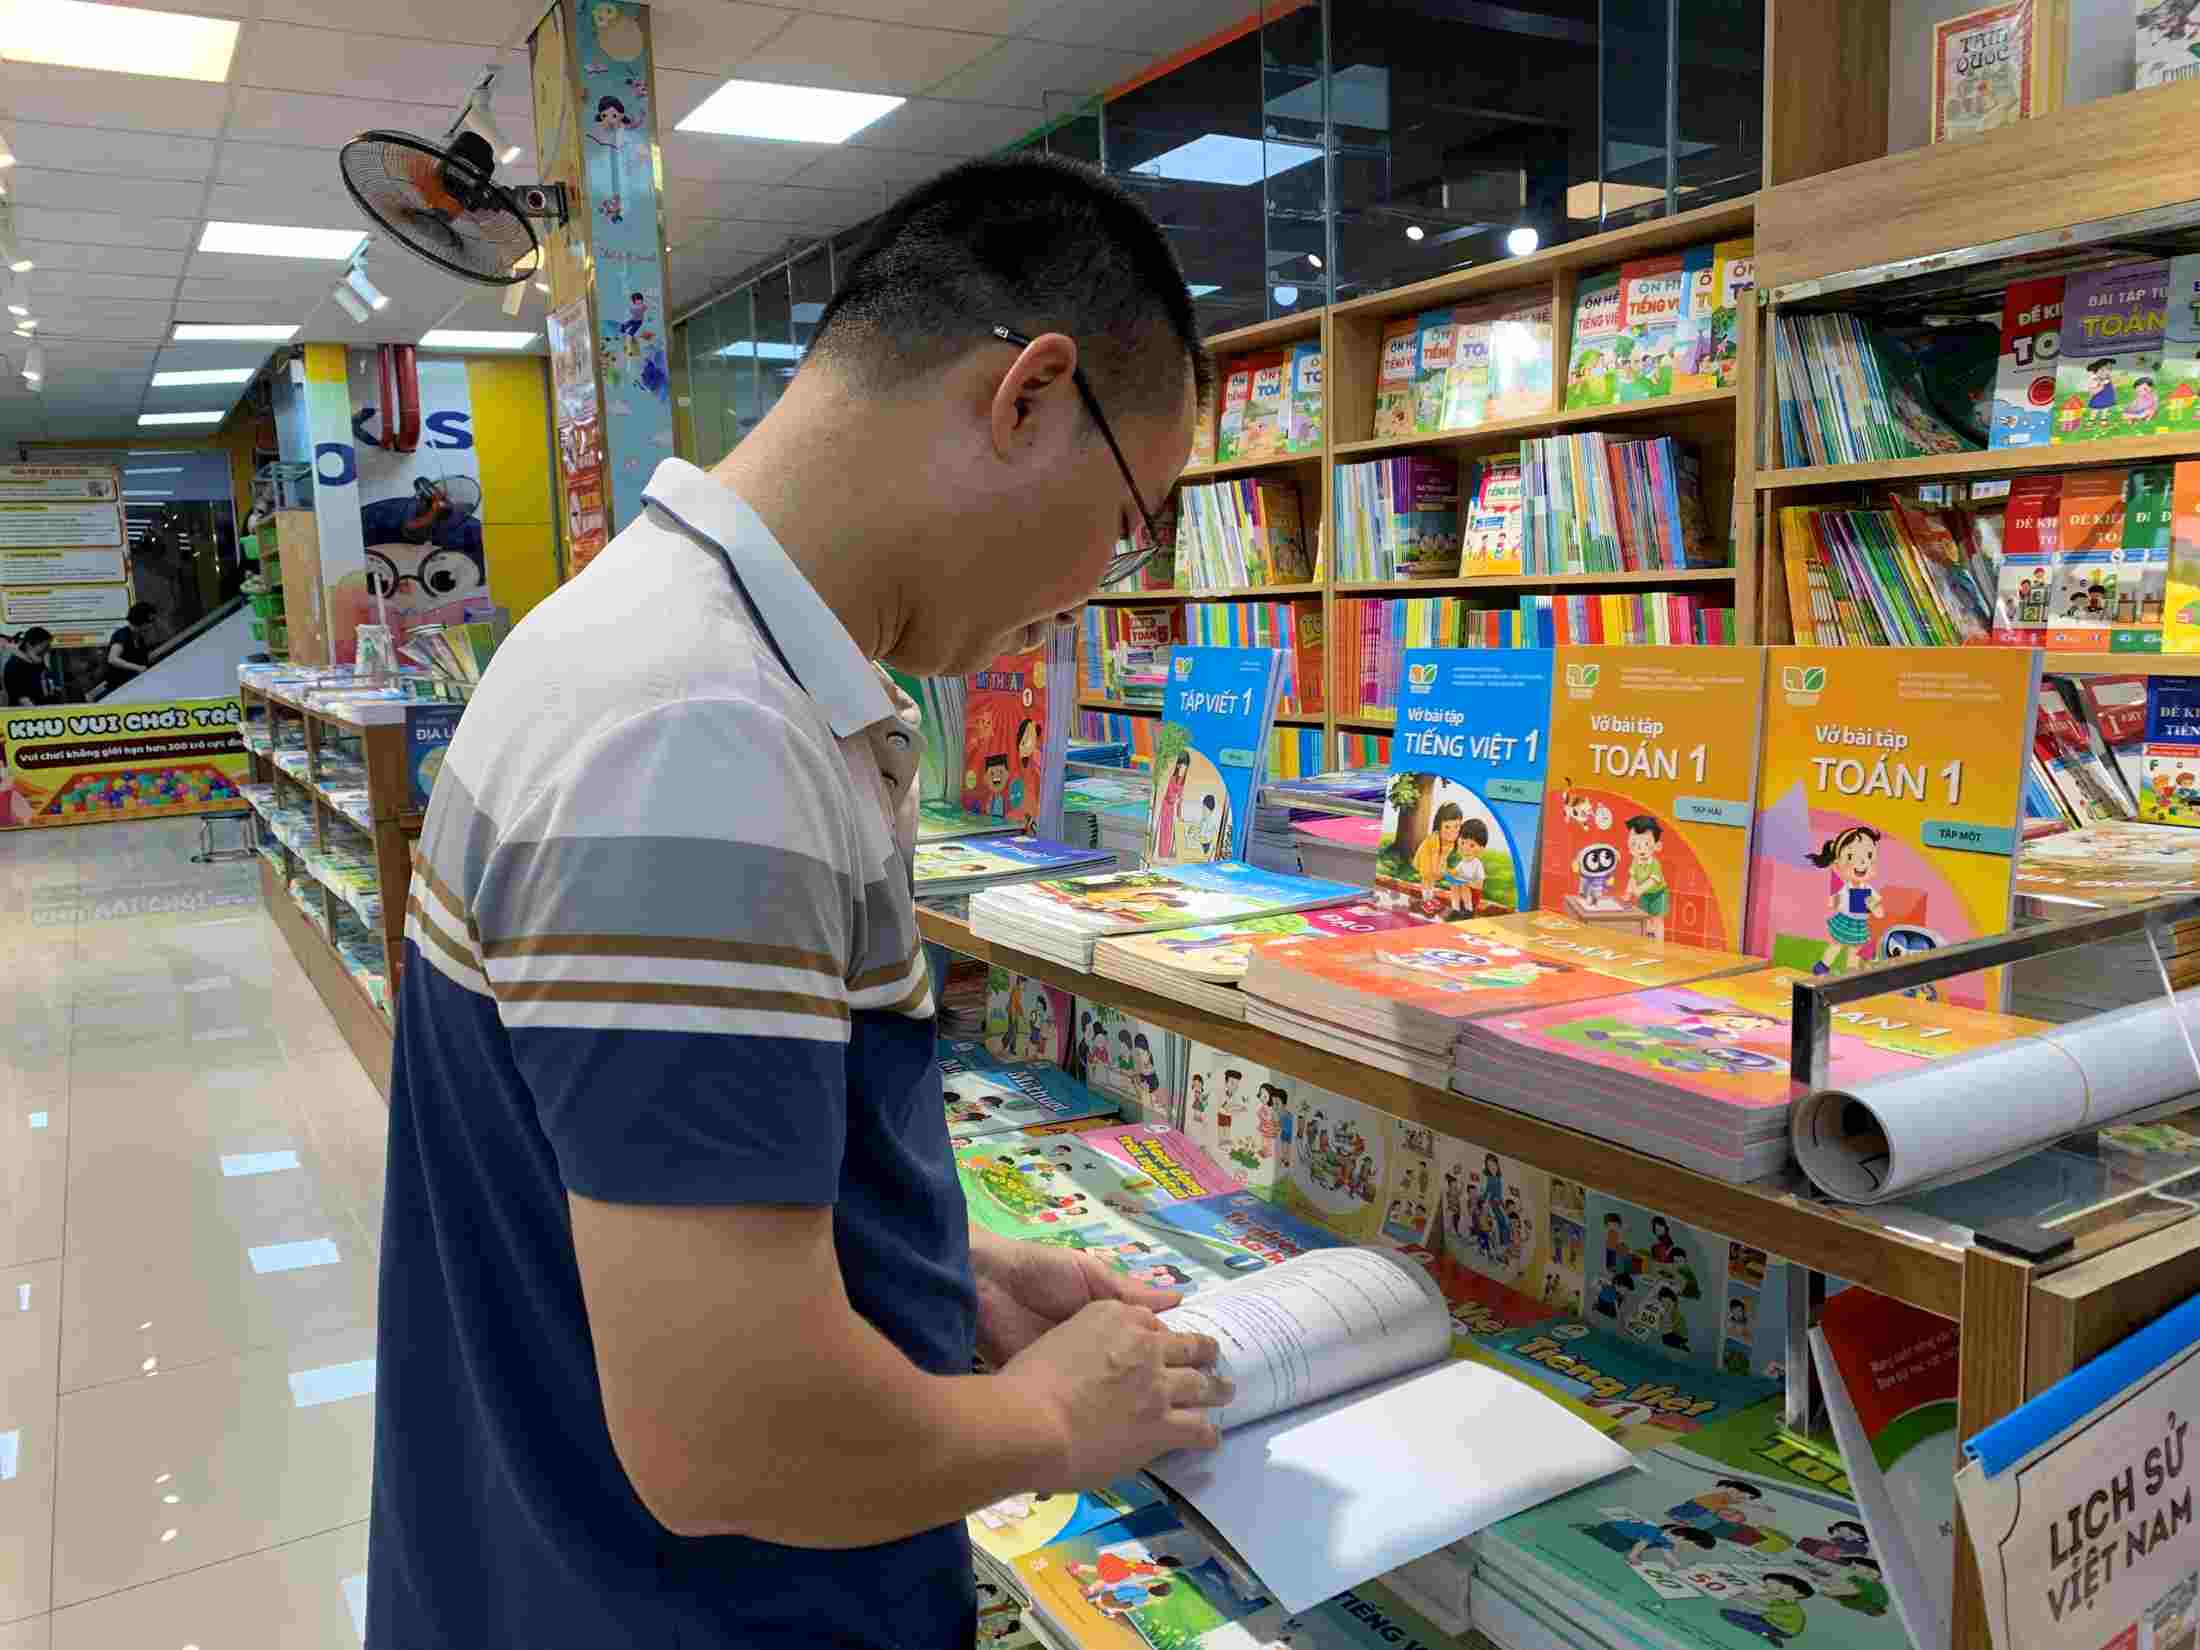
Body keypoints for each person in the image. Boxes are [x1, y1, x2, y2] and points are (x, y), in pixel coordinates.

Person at [367, 154, 1221, 1650]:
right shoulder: (701, 738)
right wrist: (1040, 1422)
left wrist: (937, 1274)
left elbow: (651, 1197)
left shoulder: (657, 647)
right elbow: (725, 1435)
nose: (1105, 582)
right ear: (1029, 393)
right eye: (1135, 517)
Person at [101, 603, 157, 694]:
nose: (152, 625)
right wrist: (138, 668)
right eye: (150, 620)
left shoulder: (139, 637)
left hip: (133, 685)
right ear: (140, 620)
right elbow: (112, 659)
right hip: (119, 689)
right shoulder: (123, 634)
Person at [4, 627, 58, 707]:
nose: (47, 650)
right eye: (44, 647)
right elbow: (23, 699)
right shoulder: (14, 666)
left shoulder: (36, 662)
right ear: (29, 645)